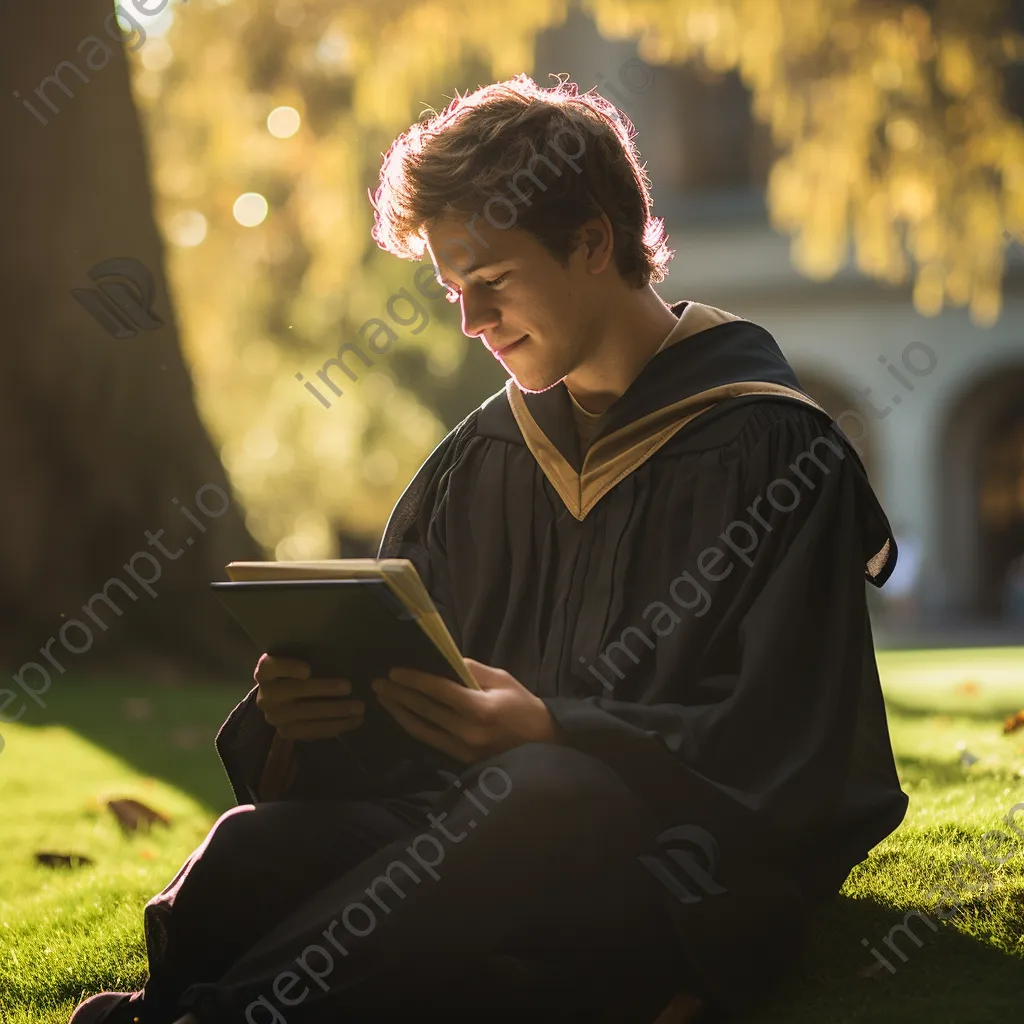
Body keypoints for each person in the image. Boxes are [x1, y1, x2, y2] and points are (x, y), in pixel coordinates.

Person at [71, 74, 909, 1024]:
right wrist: (310, 715)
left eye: (493, 283)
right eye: (452, 291)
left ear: (594, 241)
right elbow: (408, 737)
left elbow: (796, 752)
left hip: (675, 877)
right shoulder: (479, 462)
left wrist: (560, 730)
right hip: (470, 847)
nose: (470, 322)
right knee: (248, 848)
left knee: (540, 790)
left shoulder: (772, 449)